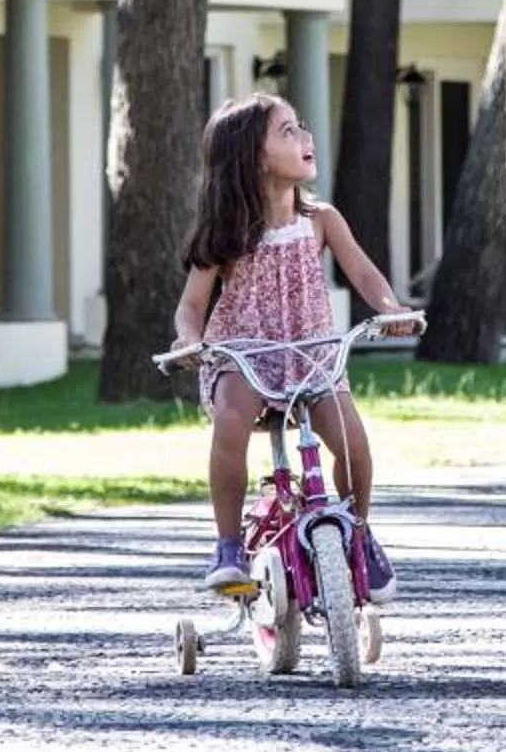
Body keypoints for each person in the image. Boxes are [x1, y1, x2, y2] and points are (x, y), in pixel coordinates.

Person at [169, 93, 420, 599]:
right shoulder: (228, 229)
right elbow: (192, 304)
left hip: (312, 354)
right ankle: (228, 546)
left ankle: (357, 534)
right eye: (287, 131)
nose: (305, 138)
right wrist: (189, 341)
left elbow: (366, 274)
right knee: (231, 420)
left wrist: (390, 309)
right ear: (253, 157)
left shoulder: (321, 219)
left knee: (353, 445)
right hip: (244, 352)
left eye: (301, 127)